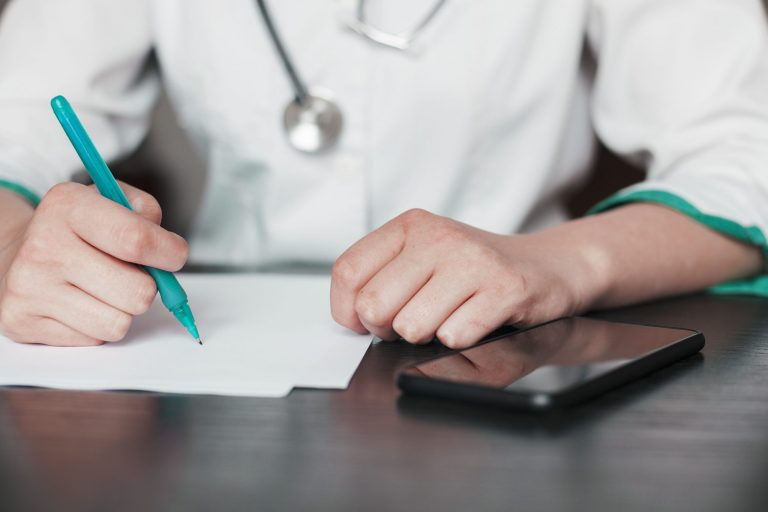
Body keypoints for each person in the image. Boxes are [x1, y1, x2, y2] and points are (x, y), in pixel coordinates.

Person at [0, 0, 767, 349]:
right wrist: (14, 246)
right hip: (220, 339)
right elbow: (16, 119)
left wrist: (560, 263)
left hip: (507, 345)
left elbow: (746, 152)